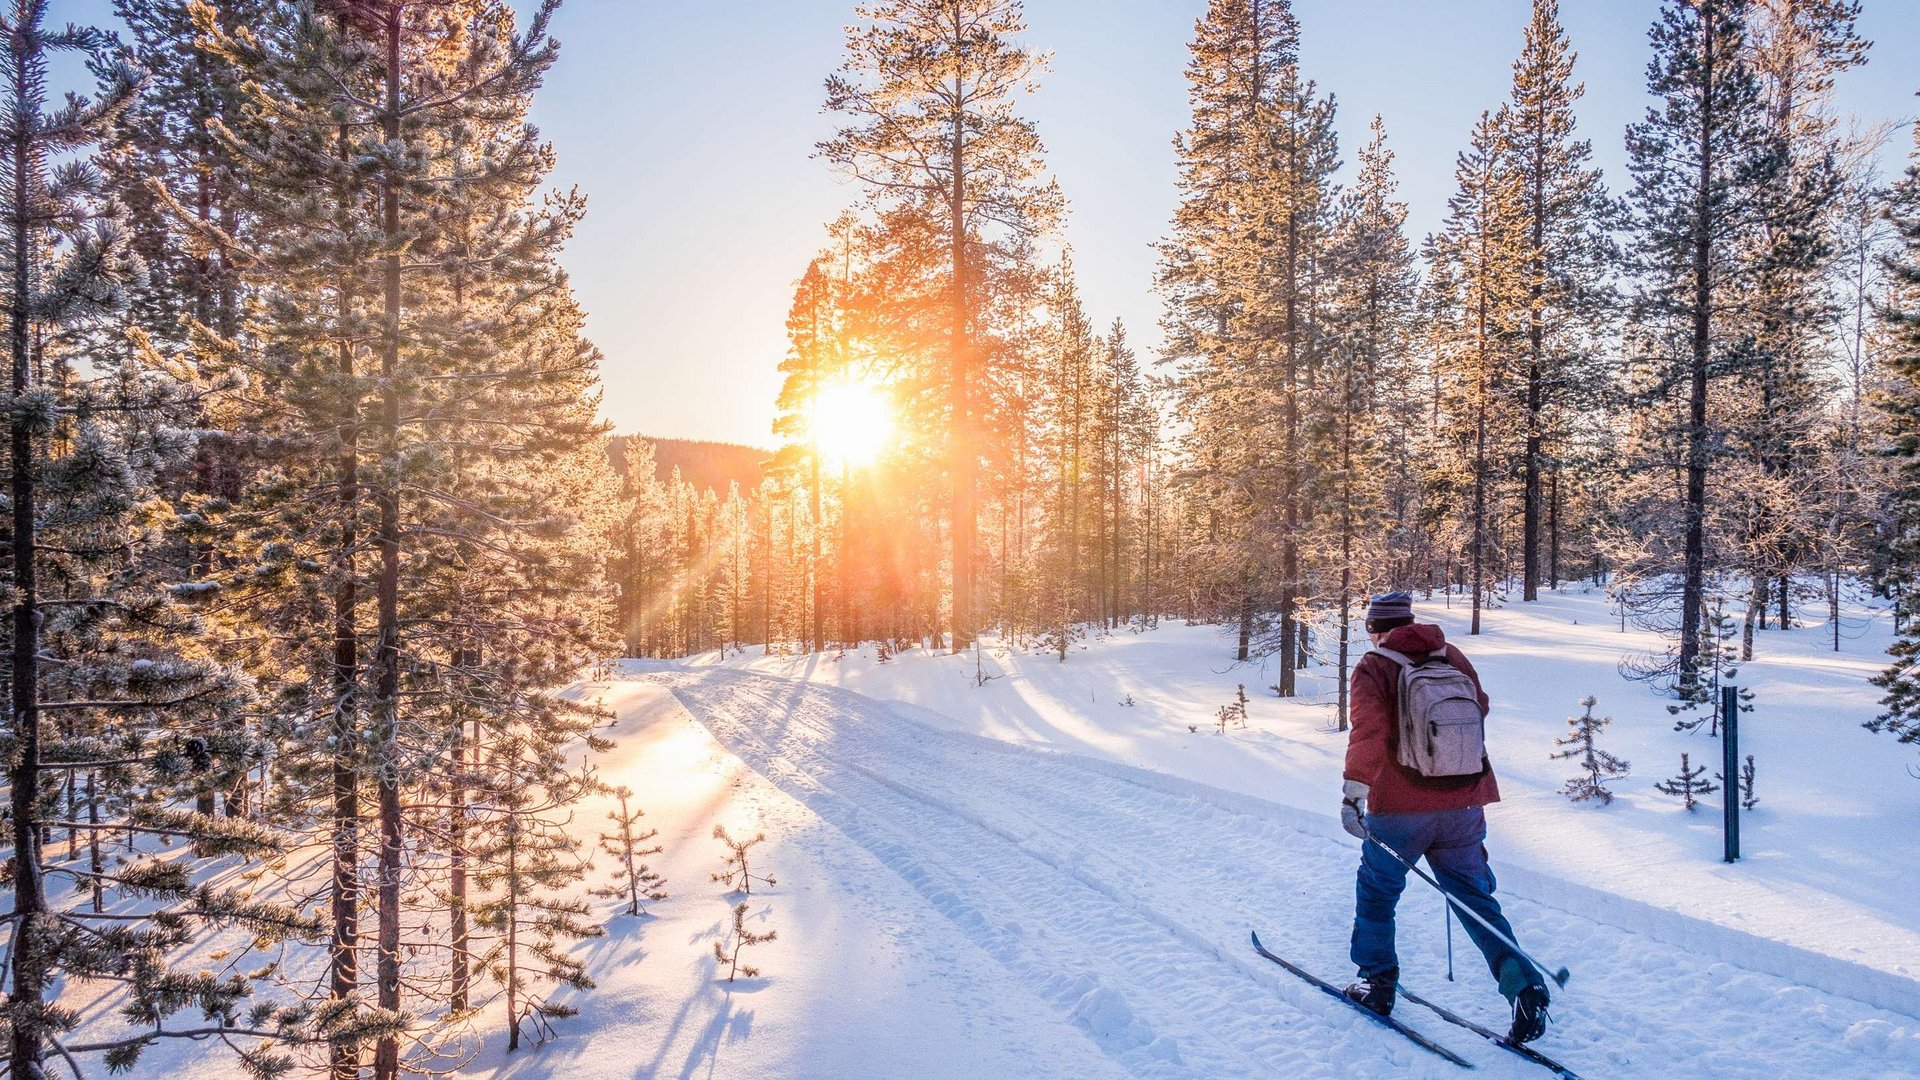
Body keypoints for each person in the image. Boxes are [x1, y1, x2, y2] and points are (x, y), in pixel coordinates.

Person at [1338, 591, 1551, 1044]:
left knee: (1377, 894)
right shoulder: (1451, 656)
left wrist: (1355, 791)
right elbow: (1481, 707)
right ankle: (1524, 986)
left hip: (1399, 809)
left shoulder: (1375, 666)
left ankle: (1377, 986)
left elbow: (1369, 731)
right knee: (1475, 899)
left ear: (1375, 629)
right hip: (1463, 802)